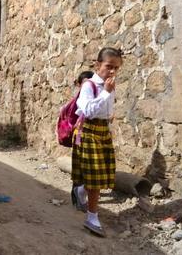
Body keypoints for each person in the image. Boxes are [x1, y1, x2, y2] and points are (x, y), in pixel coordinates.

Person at [71, 47, 122, 237]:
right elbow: (89, 111)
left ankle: (80, 190)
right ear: (97, 64)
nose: (112, 71)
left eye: (116, 68)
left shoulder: (109, 85)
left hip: (103, 132)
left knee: (101, 174)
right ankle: (92, 217)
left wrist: (109, 116)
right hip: (89, 132)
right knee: (96, 176)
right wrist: (106, 93)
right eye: (109, 66)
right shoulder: (89, 85)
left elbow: (104, 109)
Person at [70, 70, 94, 209]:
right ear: (80, 84)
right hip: (80, 134)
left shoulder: (92, 93)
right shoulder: (81, 98)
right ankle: (77, 198)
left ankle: (81, 197)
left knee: (84, 168)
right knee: (80, 169)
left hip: (89, 134)